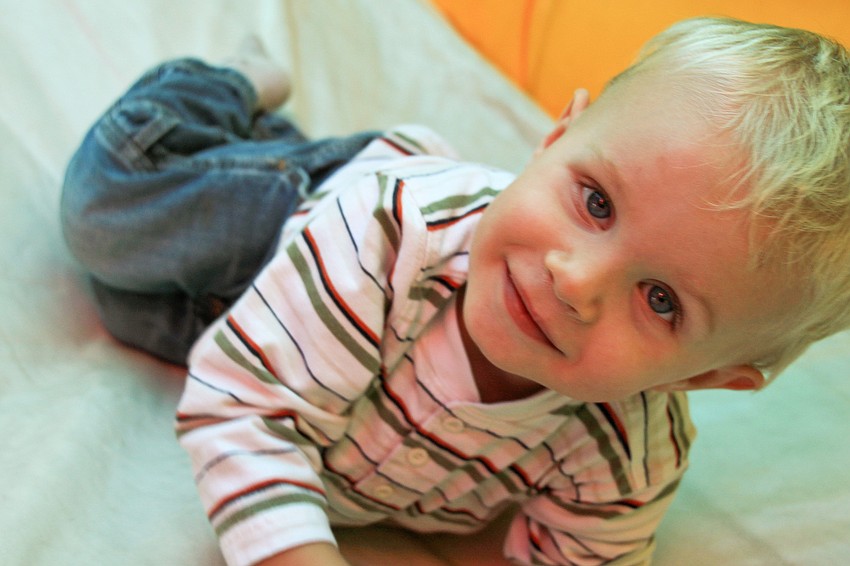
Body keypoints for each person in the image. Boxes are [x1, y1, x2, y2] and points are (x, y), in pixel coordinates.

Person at [60, 17, 850, 566]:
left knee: (126, 309)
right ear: (557, 138)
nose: (576, 279)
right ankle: (224, 88)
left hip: (296, 339)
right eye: (596, 202)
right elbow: (241, 406)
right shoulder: (392, 232)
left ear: (706, 379)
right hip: (300, 229)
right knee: (107, 213)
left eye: (662, 301)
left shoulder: (625, 455)